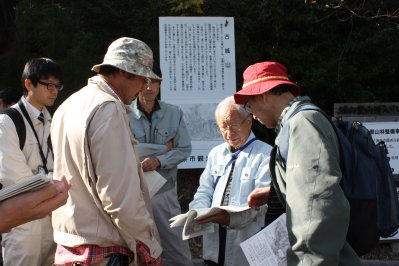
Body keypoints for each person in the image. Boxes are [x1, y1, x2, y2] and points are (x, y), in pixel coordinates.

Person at [50, 37, 164, 266]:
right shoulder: (108, 108)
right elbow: (119, 198)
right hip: (104, 248)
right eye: (142, 79)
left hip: (71, 244)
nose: (144, 87)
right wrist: (150, 247)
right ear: (125, 72)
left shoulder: (69, 103)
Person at [234, 61, 361, 265]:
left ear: (263, 95)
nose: (252, 114)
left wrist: (309, 260)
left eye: (249, 105)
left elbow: (316, 201)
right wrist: (275, 192)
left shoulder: (303, 123)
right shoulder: (296, 122)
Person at [189, 96, 272, 266]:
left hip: (246, 245)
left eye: (233, 125)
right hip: (214, 243)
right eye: (223, 127)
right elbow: (204, 190)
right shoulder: (216, 154)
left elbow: (262, 204)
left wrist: (228, 218)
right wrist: (198, 212)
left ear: (249, 122)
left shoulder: (265, 154)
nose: (229, 133)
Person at [0, 57, 64, 266]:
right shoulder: (7, 121)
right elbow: (15, 177)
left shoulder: (52, 121)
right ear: (29, 83)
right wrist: (55, 183)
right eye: (49, 85)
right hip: (22, 222)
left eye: (57, 85)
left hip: (52, 217)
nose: (54, 91)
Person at [128, 64, 193, 266]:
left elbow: (184, 149)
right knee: (138, 248)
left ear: (160, 84)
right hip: (134, 192)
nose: (149, 87)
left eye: (154, 81)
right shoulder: (123, 113)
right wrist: (165, 148)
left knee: (177, 248)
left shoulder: (174, 113)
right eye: (145, 81)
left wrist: (158, 160)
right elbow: (125, 151)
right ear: (137, 82)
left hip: (165, 191)